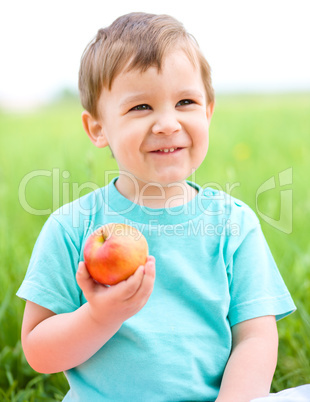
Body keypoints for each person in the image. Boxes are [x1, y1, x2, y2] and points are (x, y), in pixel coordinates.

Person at [17, 12, 297, 402]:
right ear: (98, 128)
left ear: (208, 111)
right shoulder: (73, 227)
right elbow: (39, 352)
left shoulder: (234, 223)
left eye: (186, 102)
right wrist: (101, 317)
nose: (167, 123)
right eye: (141, 107)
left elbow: (255, 338)